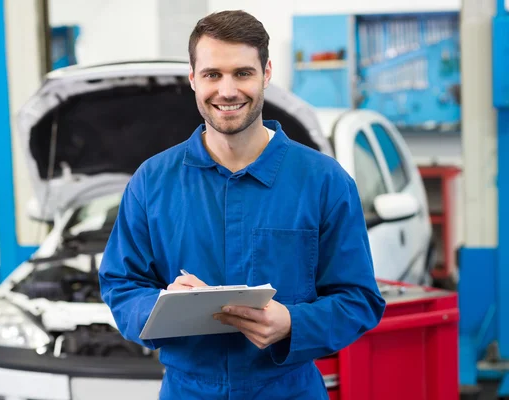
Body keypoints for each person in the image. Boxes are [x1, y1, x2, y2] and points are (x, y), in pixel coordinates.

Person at [99, 9, 386, 400]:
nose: (228, 90)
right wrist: (161, 307)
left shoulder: (323, 181)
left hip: (288, 390)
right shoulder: (152, 183)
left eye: (243, 73)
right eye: (212, 74)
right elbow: (121, 284)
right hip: (187, 390)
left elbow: (359, 299)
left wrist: (293, 322)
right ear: (193, 79)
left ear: (266, 73)